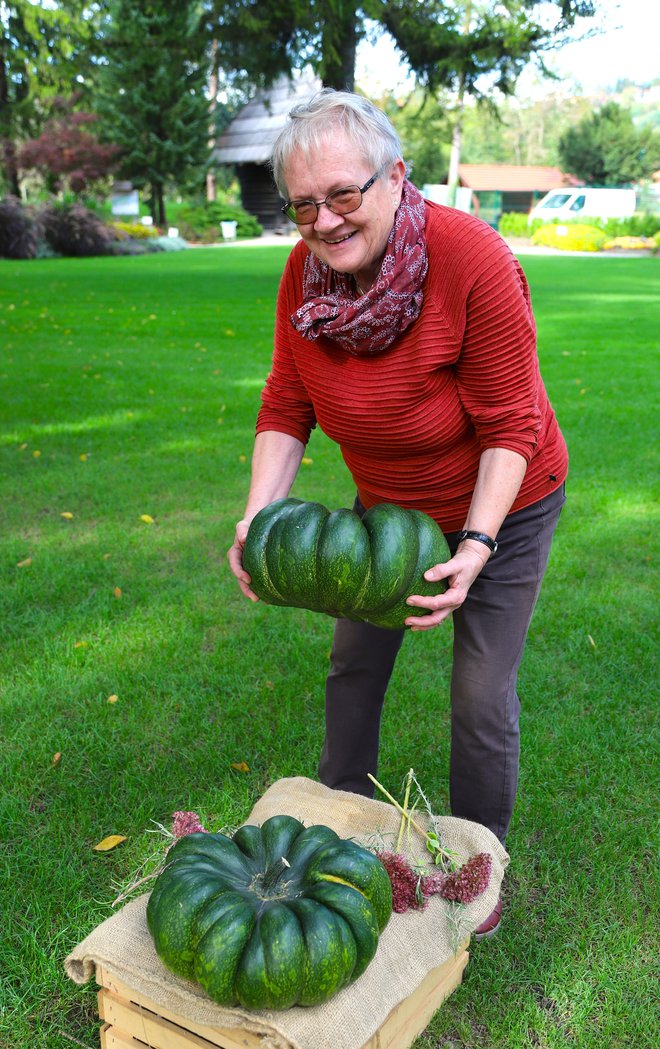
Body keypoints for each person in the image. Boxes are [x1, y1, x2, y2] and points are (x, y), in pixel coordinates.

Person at [227, 89, 568, 939]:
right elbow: (285, 402)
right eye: (303, 204)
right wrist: (255, 517)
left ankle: (476, 868)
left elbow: (510, 424)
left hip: (507, 499)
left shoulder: (471, 260)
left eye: (345, 194)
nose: (326, 221)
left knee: (481, 692)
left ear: (396, 177)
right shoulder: (303, 275)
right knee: (354, 663)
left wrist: (480, 539)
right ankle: (336, 823)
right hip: (387, 510)